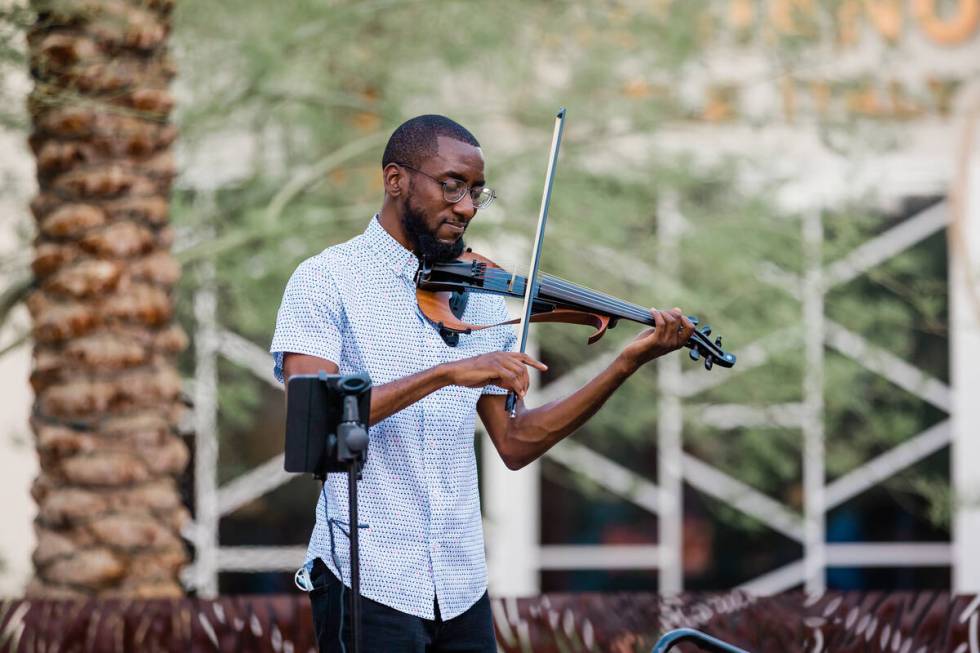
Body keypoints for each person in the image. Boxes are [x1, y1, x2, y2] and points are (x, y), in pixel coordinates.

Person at [270, 114, 694, 652]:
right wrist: (448, 372)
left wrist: (625, 364)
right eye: (451, 186)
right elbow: (315, 417)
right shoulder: (325, 279)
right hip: (366, 576)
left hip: (461, 580)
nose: (466, 207)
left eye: (476, 192)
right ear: (395, 179)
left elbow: (516, 445)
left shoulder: (481, 292)